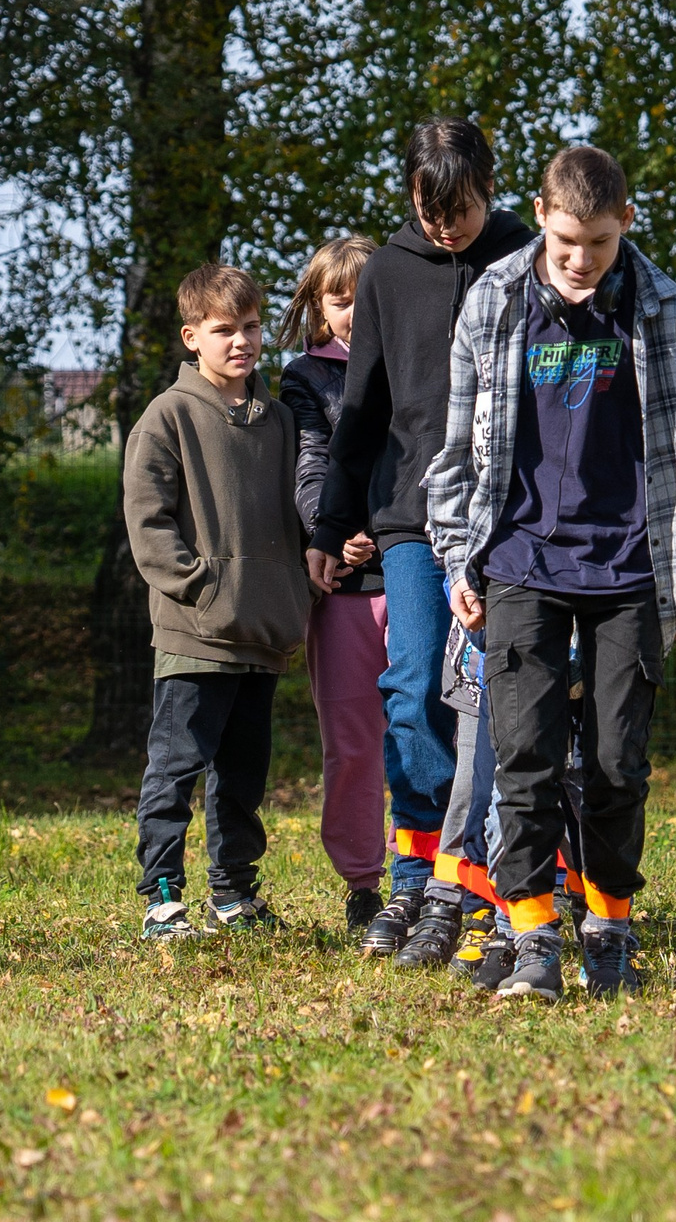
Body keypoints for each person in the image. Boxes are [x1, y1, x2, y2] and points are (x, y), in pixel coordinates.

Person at [427, 144, 676, 1003]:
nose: (578, 260)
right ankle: (531, 938)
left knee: (614, 763)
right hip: (519, 561)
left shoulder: (665, 311)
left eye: (597, 243)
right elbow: (455, 452)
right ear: (538, 215)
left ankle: (609, 927)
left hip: (631, 570)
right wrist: (459, 557)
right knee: (520, 758)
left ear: (626, 224)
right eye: (565, 240)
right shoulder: (493, 301)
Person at [306, 119, 536, 960]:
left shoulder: (525, 257)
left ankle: (486, 875)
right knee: (410, 687)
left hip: (508, 515)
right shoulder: (391, 273)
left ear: (490, 188)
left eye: (462, 211)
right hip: (407, 514)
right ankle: (420, 869)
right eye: (429, 210)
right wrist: (333, 523)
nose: (445, 228)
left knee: (496, 696)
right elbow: (361, 405)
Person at [124, 264, 322, 939]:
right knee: (175, 769)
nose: (241, 341)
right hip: (194, 635)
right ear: (191, 337)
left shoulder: (281, 420)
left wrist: (299, 580)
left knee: (242, 779)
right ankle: (162, 897)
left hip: (262, 633)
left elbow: (300, 511)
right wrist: (203, 587)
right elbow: (149, 525)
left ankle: (234, 894)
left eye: (252, 327)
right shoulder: (167, 418)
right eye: (224, 330)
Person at [277, 238, 393, 932]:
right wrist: (330, 528)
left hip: (416, 571)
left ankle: (434, 870)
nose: (351, 312)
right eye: (338, 299)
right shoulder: (305, 379)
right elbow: (311, 463)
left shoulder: (419, 362)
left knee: (424, 731)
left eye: (362, 297)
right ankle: (362, 882)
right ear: (318, 305)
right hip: (344, 587)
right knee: (351, 744)